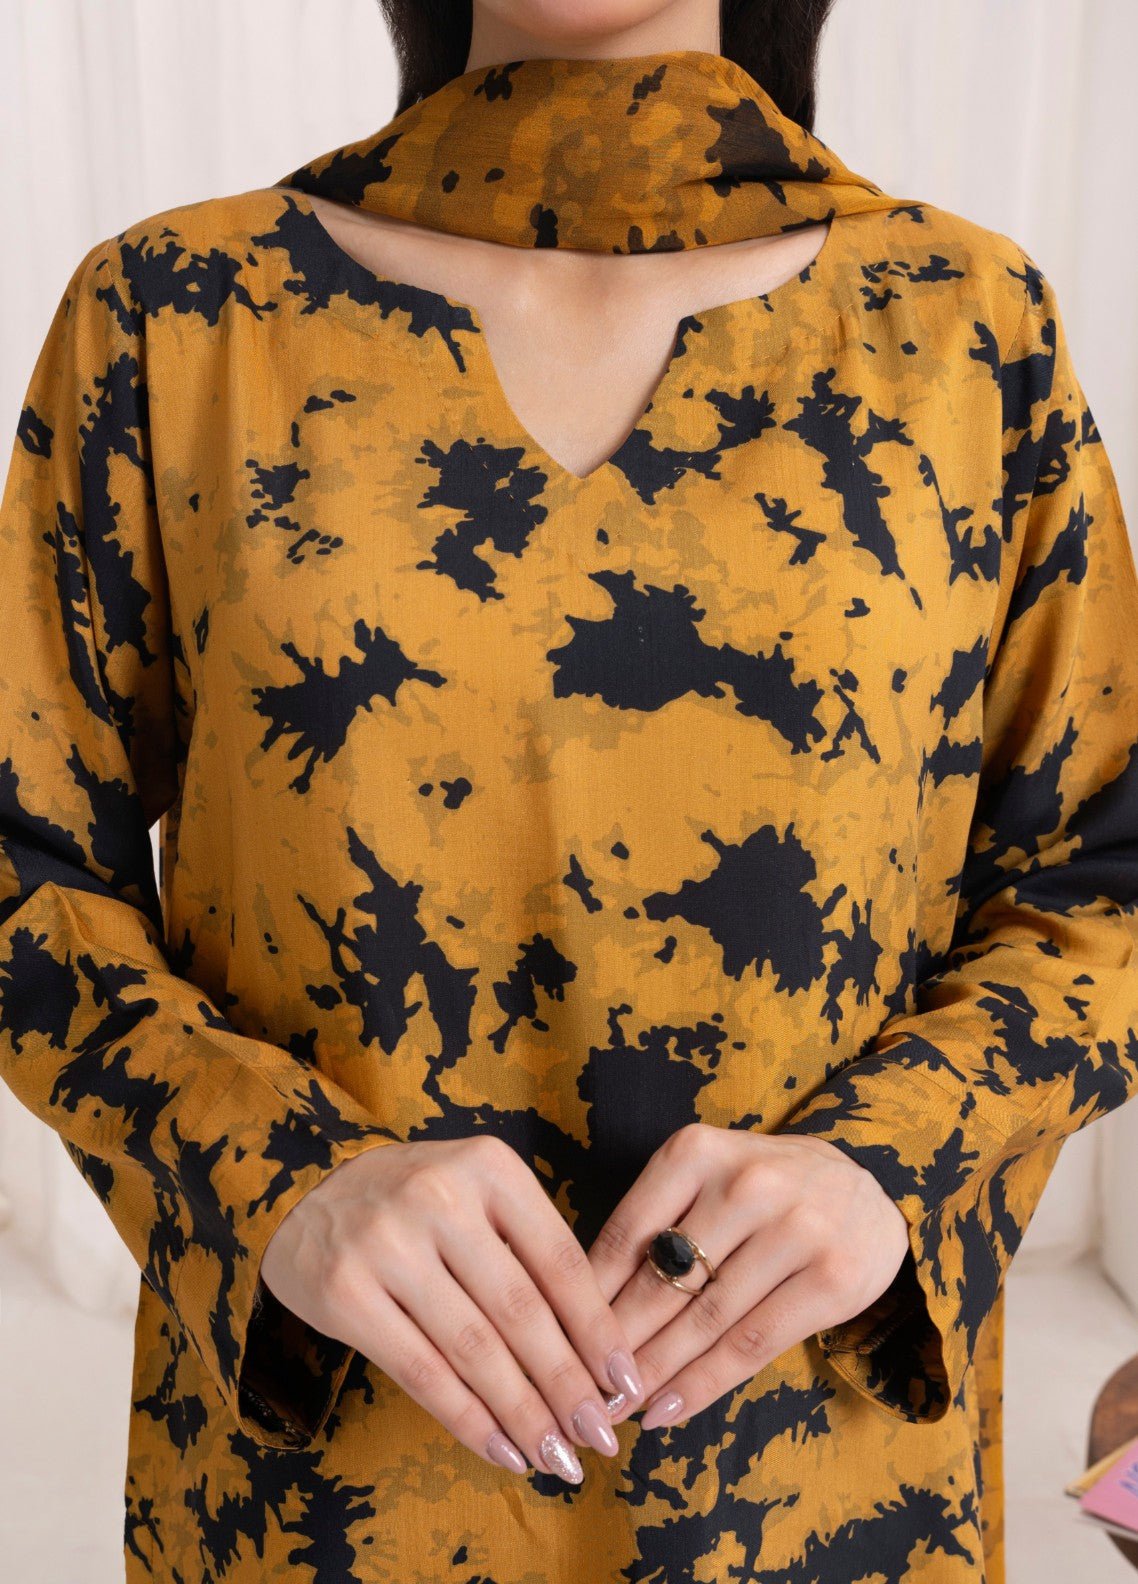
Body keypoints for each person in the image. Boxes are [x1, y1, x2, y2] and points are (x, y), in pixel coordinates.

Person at [2, 0, 1135, 1579]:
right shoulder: (179, 313)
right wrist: (278, 1177)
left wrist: (891, 1162)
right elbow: (27, 870)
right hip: (322, 1495)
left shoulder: (963, 321)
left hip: (816, 1486)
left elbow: (1100, 877)